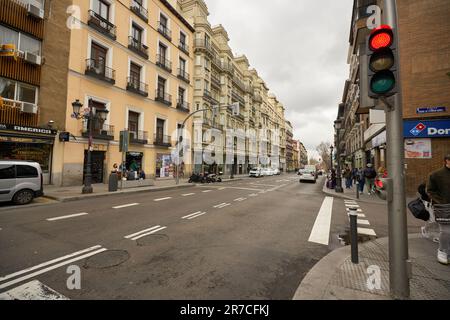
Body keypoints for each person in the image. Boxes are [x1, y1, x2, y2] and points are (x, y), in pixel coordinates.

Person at [426, 154, 450, 265]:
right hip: (444, 207)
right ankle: (442, 251)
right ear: (446, 161)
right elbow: (430, 190)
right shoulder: (435, 175)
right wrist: (441, 202)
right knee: (446, 231)